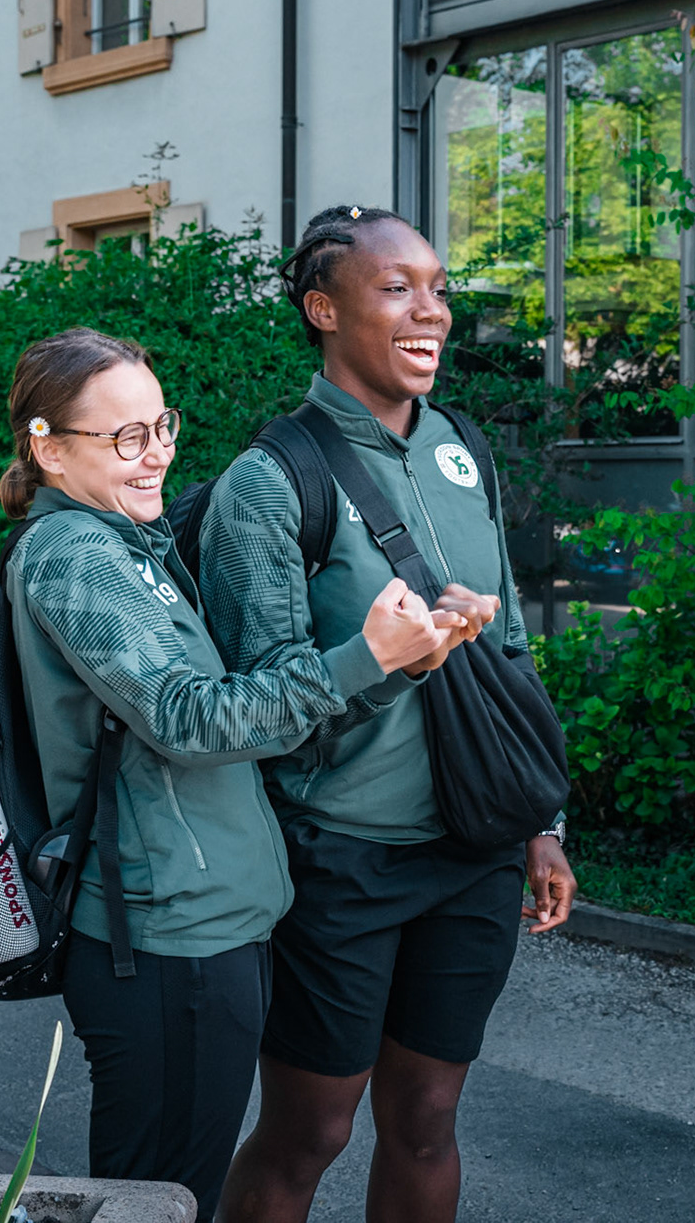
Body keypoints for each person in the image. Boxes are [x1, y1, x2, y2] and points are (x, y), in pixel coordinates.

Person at [0, 327, 460, 1221]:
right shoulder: (74, 556)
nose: (155, 455)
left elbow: (250, 718)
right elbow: (190, 719)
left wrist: (396, 663)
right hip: (167, 940)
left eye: (160, 426)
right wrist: (361, 658)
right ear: (47, 447)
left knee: (174, 1194)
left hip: (206, 928)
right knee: (156, 1202)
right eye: (122, 437)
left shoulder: (130, 542)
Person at [203, 205, 577, 1222]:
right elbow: (258, 708)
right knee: (311, 1128)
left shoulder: (461, 447)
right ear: (324, 309)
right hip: (340, 856)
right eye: (396, 287)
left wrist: (539, 820)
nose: (432, 311)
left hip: (470, 848)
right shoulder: (271, 482)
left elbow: (511, 654)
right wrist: (395, 655)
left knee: (427, 1115)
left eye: (440, 286)